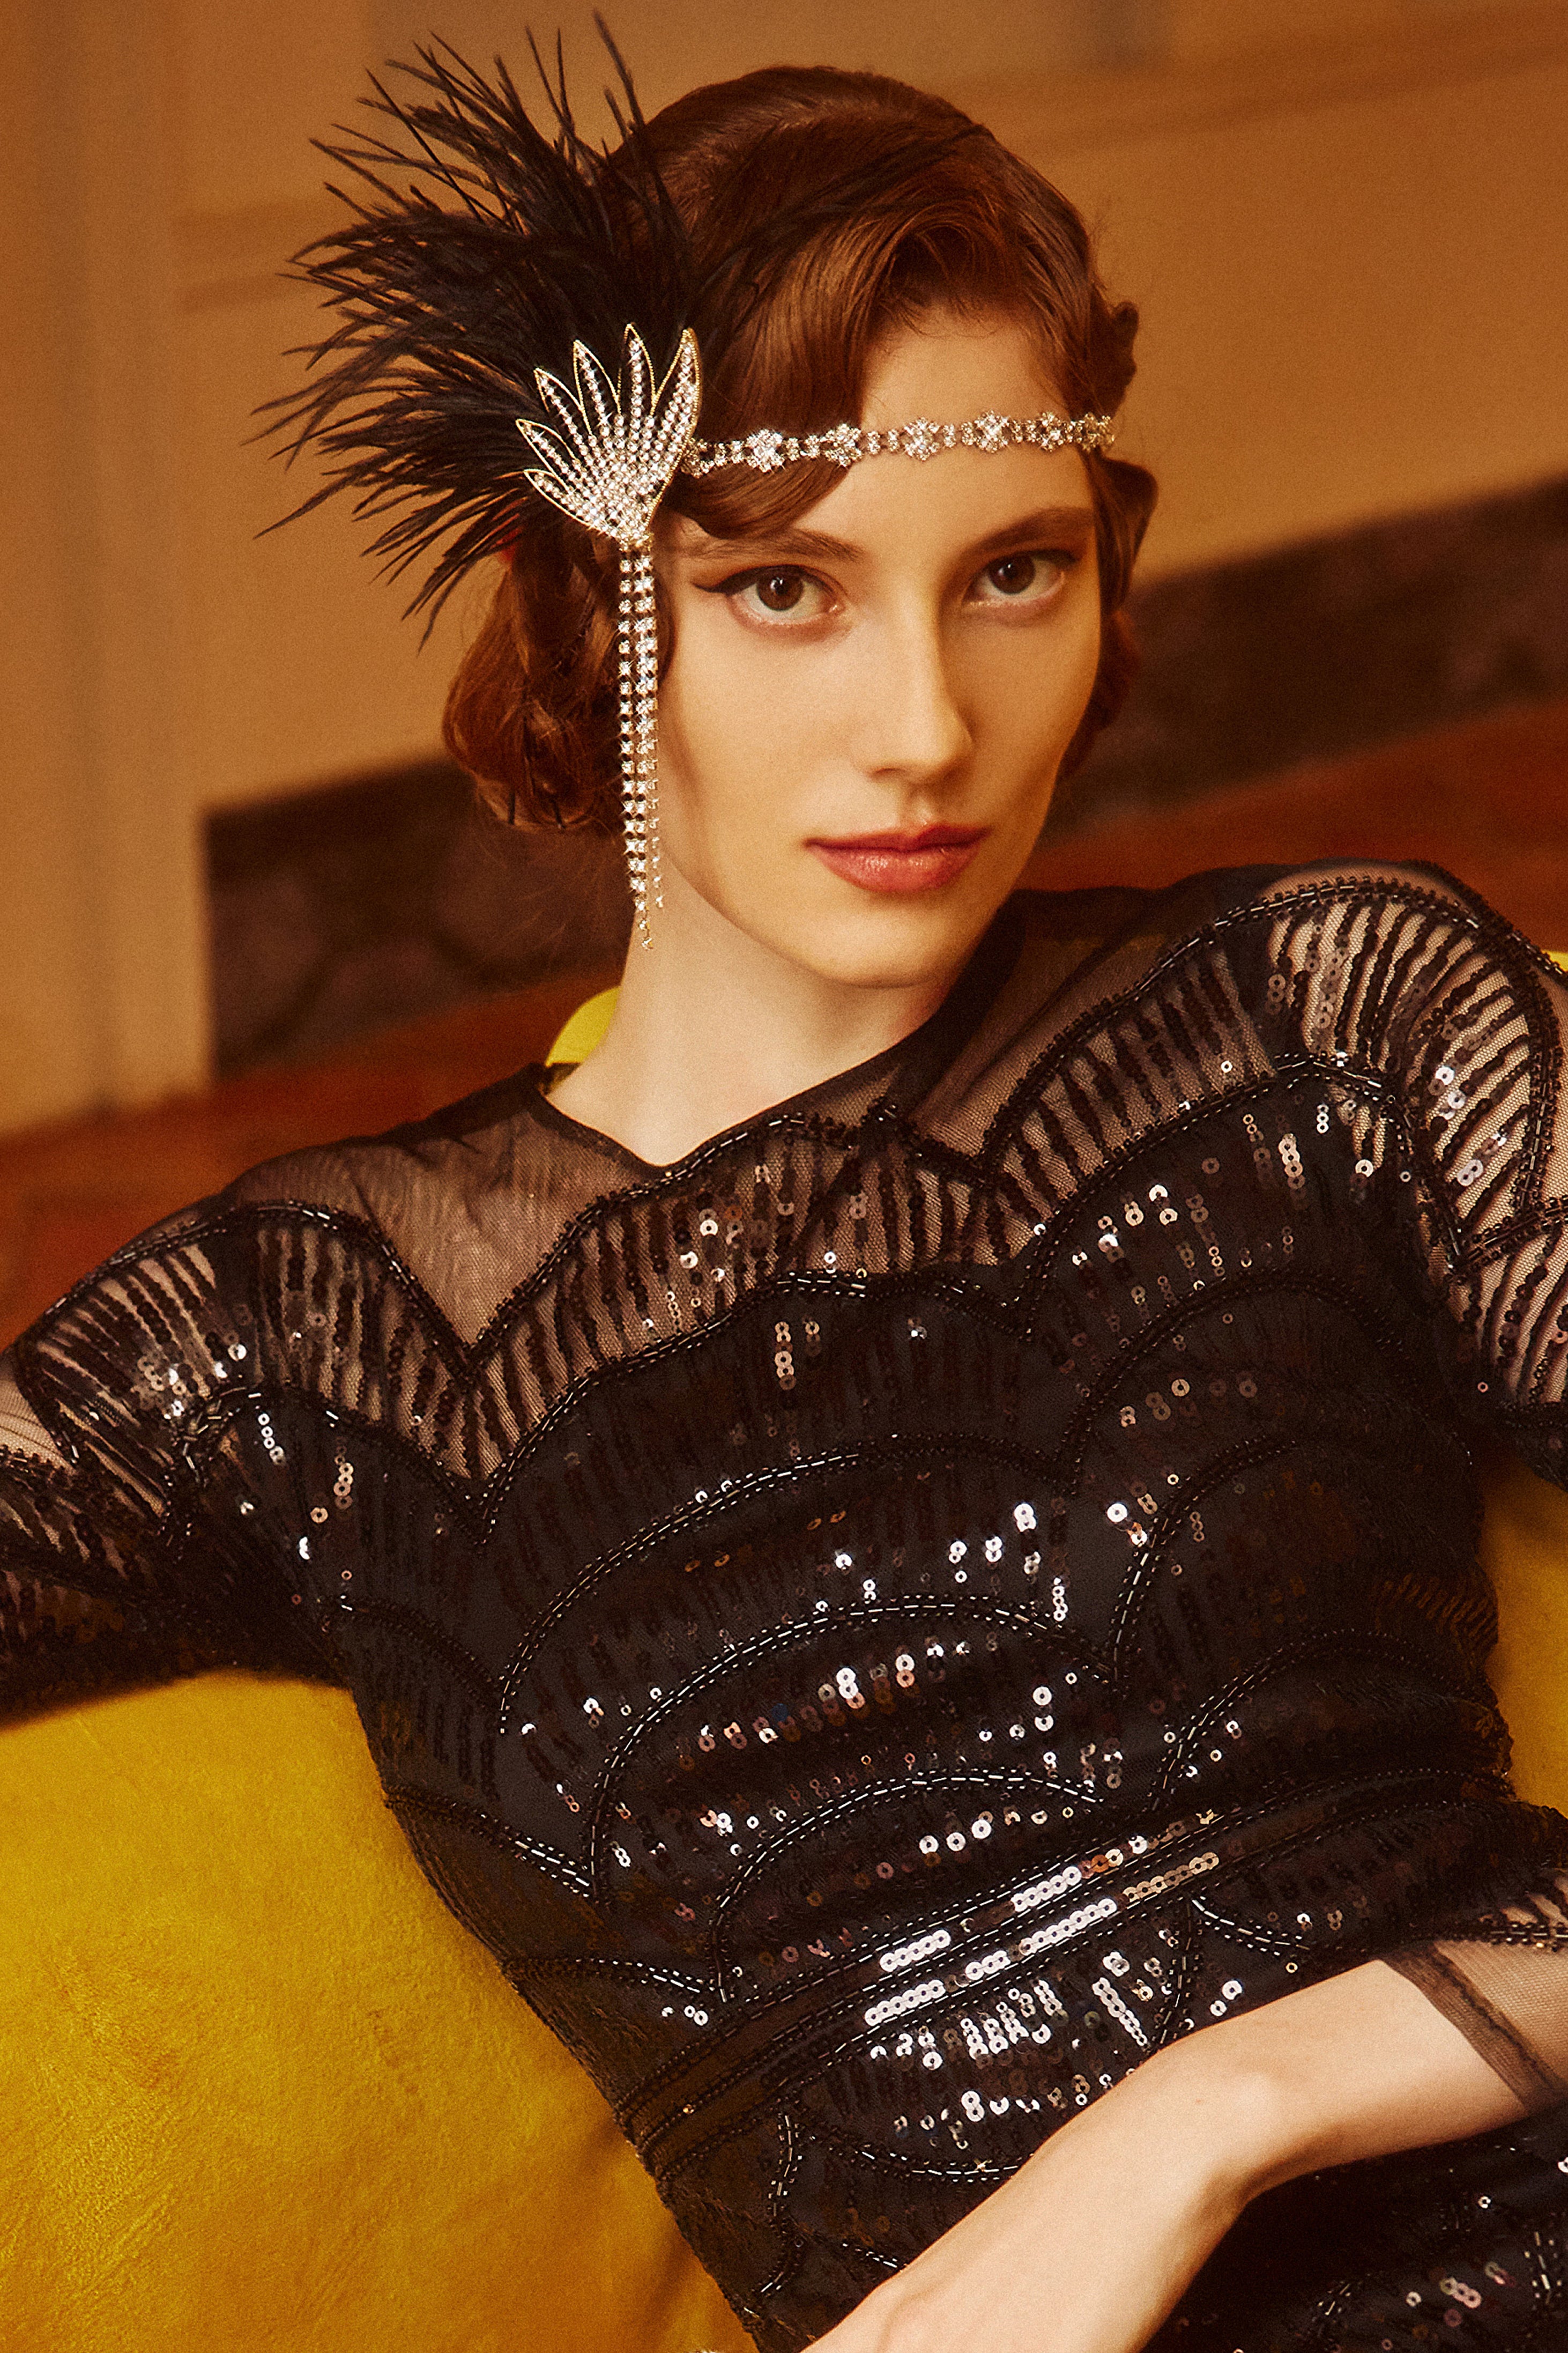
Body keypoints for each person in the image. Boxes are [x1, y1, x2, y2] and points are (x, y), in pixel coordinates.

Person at [4, 41, 1567, 2353]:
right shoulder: (308, 1337)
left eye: (1014, 573)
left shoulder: (1334, 1014)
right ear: (594, 611)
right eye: (785, 591)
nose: (927, 724)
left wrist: (1213, 2115)